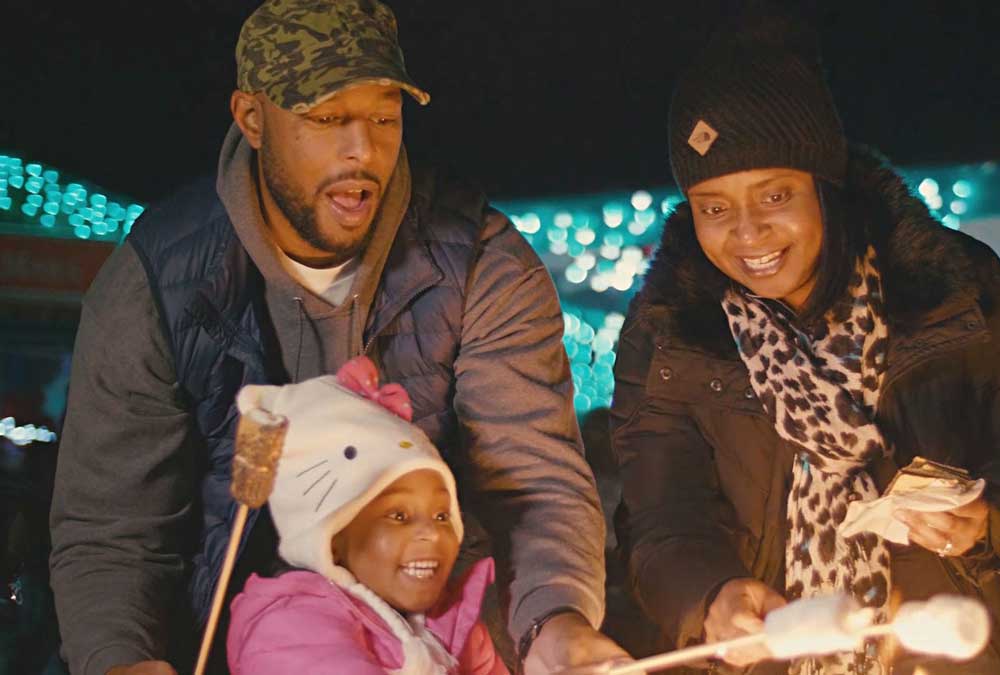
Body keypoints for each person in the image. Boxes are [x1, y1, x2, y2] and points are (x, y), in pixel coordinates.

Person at [48, 2, 625, 674]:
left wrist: (555, 622)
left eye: (384, 117)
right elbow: (112, 531)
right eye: (326, 119)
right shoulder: (156, 282)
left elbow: (534, 479)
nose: (364, 150)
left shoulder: (480, 264)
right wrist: (122, 658)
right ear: (252, 119)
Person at [609, 7, 1000, 675]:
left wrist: (988, 516)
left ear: (823, 185)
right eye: (715, 207)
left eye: (774, 195)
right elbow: (660, 519)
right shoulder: (672, 331)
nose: (747, 234)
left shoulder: (951, 288)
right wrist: (710, 596)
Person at [226, 356, 506, 674]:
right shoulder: (290, 625)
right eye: (399, 515)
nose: (431, 531)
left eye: (442, 515)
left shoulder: (454, 626)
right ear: (332, 538)